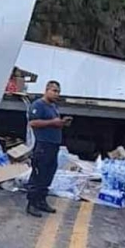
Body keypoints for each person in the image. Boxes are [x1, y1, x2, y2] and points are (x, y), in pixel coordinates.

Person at [26, 81, 72, 217]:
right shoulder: (38, 105)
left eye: (58, 91)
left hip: (53, 145)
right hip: (43, 145)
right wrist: (53, 122)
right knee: (38, 174)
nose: (56, 94)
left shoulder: (53, 107)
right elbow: (32, 122)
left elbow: (53, 124)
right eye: (54, 91)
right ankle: (31, 204)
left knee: (48, 174)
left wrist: (62, 123)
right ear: (46, 90)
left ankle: (41, 200)